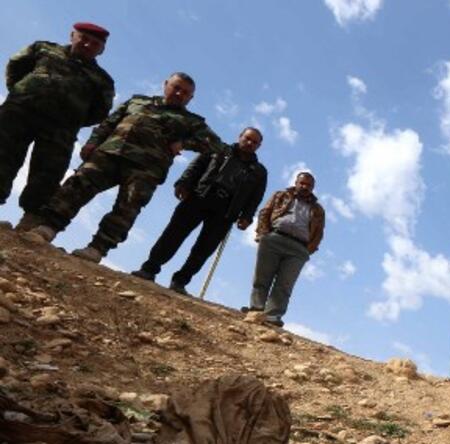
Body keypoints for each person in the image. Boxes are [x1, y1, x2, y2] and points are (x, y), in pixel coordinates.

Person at [16, 72, 224, 263]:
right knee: (76, 186)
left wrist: (185, 143)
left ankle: (97, 249)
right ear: (165, 85)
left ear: (190, 99)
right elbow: (109, 122)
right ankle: (48, 228)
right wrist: (92, 142)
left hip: (146, 169)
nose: (179, 94)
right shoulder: (138, 101)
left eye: (186, 93)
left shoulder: (192, 122)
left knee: (127, 208)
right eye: (176, 87)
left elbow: (217, 145)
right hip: (109, 154)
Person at [131, 127, 268, 294]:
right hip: (199, 196)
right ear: (240, 137)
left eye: (254, 142)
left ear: (259, 146)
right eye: (247, 138)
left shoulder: (259, 171)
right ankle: (149, 269)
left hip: (226, 211)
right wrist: (183, 182)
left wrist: (247, 216)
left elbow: (256, 197)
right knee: (173, 234)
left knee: (204, 249)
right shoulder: (218, 149)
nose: (249, 143)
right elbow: (196, 165)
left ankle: (180, 281)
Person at [0, 22, 113, 214]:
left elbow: (100, 112)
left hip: (61, 131)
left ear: (101, 50)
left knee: (47, 175)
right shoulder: (43, 48)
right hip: (18, 114)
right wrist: (22, 93)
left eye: (95, 43)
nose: (87, 45)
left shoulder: (103, 80)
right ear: (72, 35)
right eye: (84, 38)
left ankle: (28, 225)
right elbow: (15, 65)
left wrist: (70, 118)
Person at [244, 172, 324, 327]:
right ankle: (255, 309)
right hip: (274, 239)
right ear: (296, 182)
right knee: (262, 277)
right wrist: (263, 234)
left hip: (299, 248)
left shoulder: (318, 209)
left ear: (313, 187)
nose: (305, 187)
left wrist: (308, 250)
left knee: (285, 284)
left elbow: (319, 232)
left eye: (308, 185)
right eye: (302, 183)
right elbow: (265, 212)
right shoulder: (281, 195)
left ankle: (272, 316)